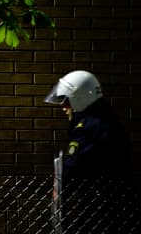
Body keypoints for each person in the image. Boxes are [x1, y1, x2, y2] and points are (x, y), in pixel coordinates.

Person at [45, 70, 138, 233]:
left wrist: (60, 189)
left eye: (66, 102)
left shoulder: (89, 127)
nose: (64, 108)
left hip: (102, 204)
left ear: (79, 98)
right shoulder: (106, 120)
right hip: (113, 202)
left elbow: (72, 165)